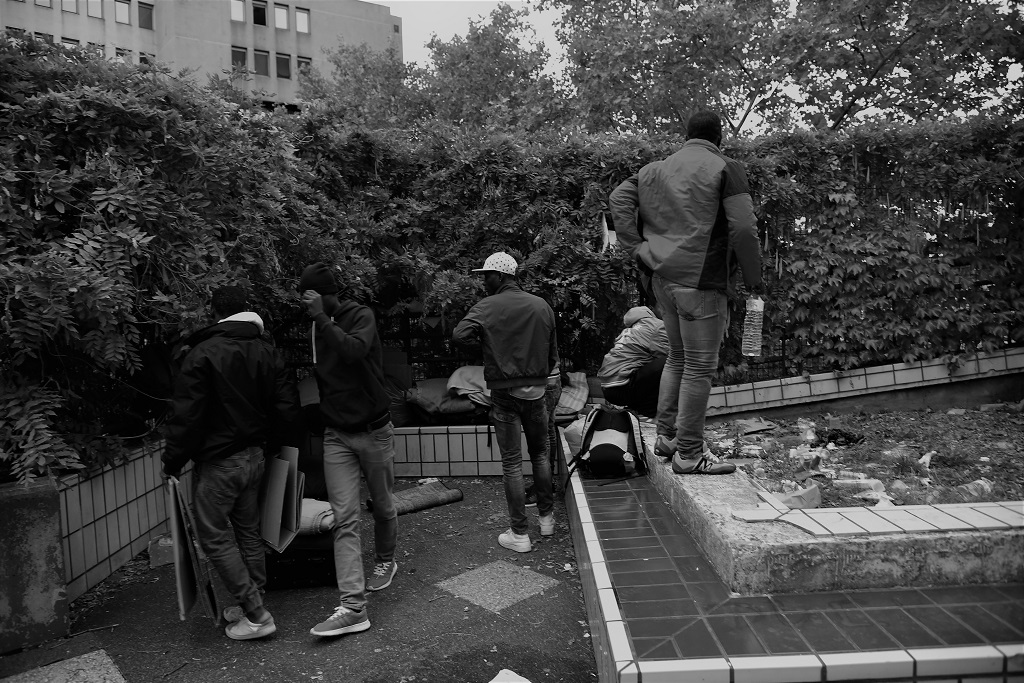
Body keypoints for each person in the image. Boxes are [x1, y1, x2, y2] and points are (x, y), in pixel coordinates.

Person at [609, 110, 762, 475]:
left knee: (678, 358)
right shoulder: (726, 167)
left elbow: (618, 199)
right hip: (701, 282)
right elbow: (742, 228)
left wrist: (637, 248)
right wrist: (754, 277)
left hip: (663, 280)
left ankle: (668, 437)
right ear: (718, 137)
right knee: (698, 366)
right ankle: (690, 453)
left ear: (686, 135)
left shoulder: (653, 170)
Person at [162, 285, 301, 641]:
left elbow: (187, 417)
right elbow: (286, 407)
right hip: (256, 457)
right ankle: (252, 600)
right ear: (247, 309)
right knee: (249, 532)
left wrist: (172, 461)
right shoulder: (267, 350)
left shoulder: (202, 354)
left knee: (215, 538)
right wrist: (280, 448)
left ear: (215, 313)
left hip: (219, 463)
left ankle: (257, 615)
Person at [297, 262, 399, 638]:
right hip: (337, 435)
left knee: (383, 505)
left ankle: (386, 559)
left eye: (309, 296)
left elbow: (354, 352)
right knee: (345, 519)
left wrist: (323, 319)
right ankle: (354, 608)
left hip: (374, 431)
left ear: (323, 294)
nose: (304, 304)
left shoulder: (360, 315)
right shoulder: (315, 325)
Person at [452, 252, 559, 552]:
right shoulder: (542, 306)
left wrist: (488, 345)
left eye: (486, 275)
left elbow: (459, 335)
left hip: (505, 393)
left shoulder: (487, 307)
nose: (484, 281)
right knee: (540, 455)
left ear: (500, 276)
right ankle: (547, 520)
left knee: (512, 462)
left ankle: (520, 535)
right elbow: (553, 353)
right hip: (537, 392)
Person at [597, 306, 669, 418]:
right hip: (623, 387)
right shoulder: (656, 326)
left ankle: (639, 409)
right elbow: (673, 356)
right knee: (674, 361)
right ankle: (649, 412)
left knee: (649, 366)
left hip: (608, 389)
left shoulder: (629, 331)